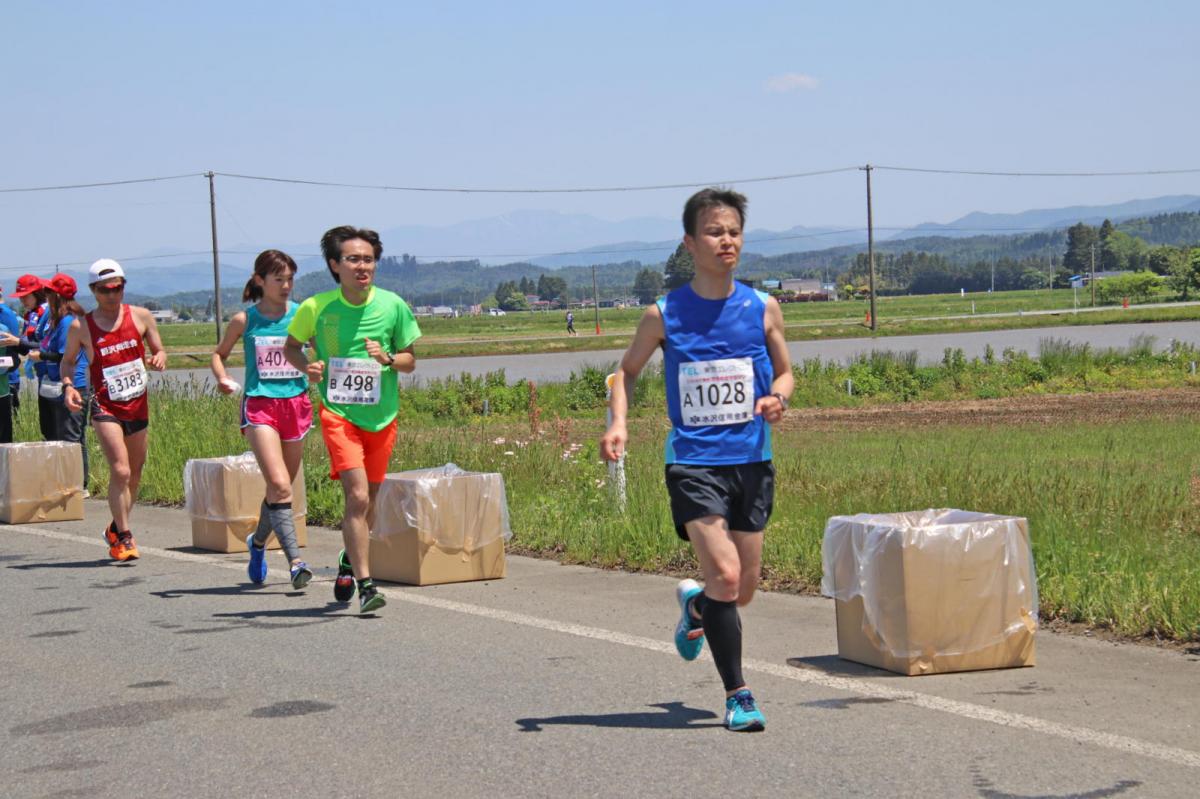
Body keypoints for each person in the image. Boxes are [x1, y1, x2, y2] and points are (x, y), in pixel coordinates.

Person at [599, 188, 793, 733]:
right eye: (714, 231)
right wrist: (618, 422)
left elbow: (786, 372)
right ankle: (739, 695)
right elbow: (627, 372)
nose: (726, 240)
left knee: (743, 588)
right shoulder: (663, 313)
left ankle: (697, 608)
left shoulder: (762, 307)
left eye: (733, 231)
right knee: (726, 575)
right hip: (693, 463)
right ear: (690, 242)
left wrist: (779, 397)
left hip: (751, 460)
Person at [283, 226, 420, 614]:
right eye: (353, 259)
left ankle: (348, 560)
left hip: (382, 416)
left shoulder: (393, 305)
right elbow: (292, 347)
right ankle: (366, 584)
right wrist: (307, 366)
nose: (363, 267)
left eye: (369, 259)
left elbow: (410, 360)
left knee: (370, 500)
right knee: (356, 496)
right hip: (338, 412)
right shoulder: (316, 307)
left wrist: (389, 359)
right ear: (334, 265)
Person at [211, 250, 313, 590]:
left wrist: (321, 368)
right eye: (278, 279)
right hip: (260, 407)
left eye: (289, 279)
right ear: (260, 281)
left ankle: (257, 543)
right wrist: (222, 378)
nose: (285, 286)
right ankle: (296, 563)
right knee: (282, 485)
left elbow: (325, 351)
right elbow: (218, 354)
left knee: (278, 491)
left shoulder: (302, 315)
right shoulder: (245, 320)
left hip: (296, 405)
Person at [62, 259, 168, 562]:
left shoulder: (141, 316)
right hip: (105, 405)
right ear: (94, 291)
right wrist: (69, 386)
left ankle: (115, 526)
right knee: (120, 470)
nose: (113, 294)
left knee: (134, 474)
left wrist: (159, 358)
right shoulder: (81, 326)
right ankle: (124, 536)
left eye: (118, 288)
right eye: (106, 290)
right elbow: (68, 361)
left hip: (137, 404)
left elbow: (159, 349)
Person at [31, 274, 91, 494]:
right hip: (57, 385)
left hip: (75, 384)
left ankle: (79, 485)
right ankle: (63, 482)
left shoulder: (68, 321)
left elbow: (66, 356)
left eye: (48, 292)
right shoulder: (56, 319)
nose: (45, 296)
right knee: (58, 435)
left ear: (56, 295)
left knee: (72, 437)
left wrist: (42, 357)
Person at [12, 274, 50, 417]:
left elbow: (46, 345)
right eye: (20, 297)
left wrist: (18, 342)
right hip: (41, 374)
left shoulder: (47, 313)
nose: (22, 301)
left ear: (36, 293)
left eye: (25, 296)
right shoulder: (30, 315)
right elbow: (24, 347)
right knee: (46, 424)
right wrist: (11, 342)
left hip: (54, 374)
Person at [0, 288, 24, 443]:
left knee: (4, 442)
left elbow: (15, 360)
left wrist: (3, 365)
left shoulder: (4, 328)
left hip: (2, 390)